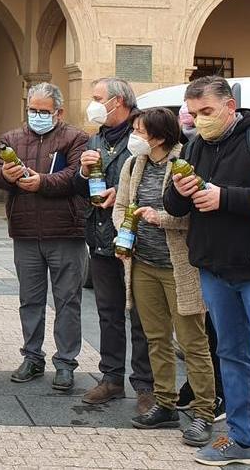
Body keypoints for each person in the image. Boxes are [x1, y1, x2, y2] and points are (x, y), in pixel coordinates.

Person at [164, 75, 250, 470]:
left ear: (229, 106)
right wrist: (180, 188)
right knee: (231, 354)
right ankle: (242, 440)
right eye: (192, 114)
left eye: (206, 111)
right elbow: (175, 207)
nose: (198, 120)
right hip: (214, 266)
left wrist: (224, 197)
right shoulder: (193, 145)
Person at [113, 107, 216, 448]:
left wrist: (160, 218)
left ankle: (203, 411)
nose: (135, 137)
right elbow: (121, 206)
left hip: (180, 268)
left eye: (140, 131)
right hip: (143, 263)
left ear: (159, 136)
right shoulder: (133, 164)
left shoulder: (184, 162)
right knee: (155, 337)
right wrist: (124, 232)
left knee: (192, 342)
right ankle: (166, 403)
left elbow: (195, 214)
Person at [0, 82, 89, 392]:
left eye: (43, 111)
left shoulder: (76, 138)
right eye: (32, 110)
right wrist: (2, 176)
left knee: (67, 300)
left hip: (65, 231)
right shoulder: (11, 138)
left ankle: (65, 363)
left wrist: (43, 182)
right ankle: (32, 357)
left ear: (58, 112)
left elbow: (76, 176)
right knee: (30, 300)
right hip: (25, 231)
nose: (37, 115)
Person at [75, 77, 153, 411]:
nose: (92, 104)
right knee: (108, 312)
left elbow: (153, 180)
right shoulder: (96, 137)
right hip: (102, 238)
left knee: (141, 315)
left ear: (117, 101)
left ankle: (146, 385)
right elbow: (84, 188)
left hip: (138, 240)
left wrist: (120, 196)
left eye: (97, 98)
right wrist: (83, 172)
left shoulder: (142, 134)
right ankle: (111, 378)